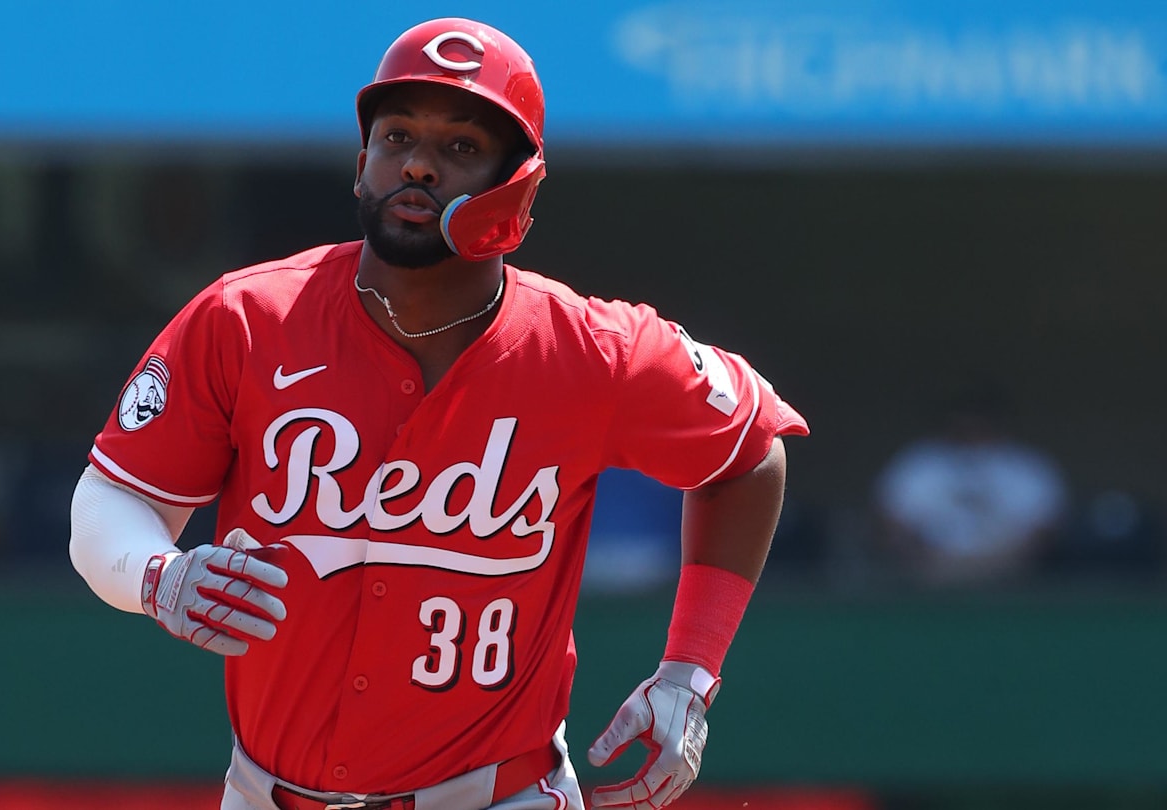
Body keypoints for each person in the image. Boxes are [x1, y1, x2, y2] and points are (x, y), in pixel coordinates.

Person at [69, 17, 808, 810]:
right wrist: (160, 575)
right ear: (361, 167)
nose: (417, 163)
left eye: (460, 147)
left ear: (519, 182)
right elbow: (114, 500)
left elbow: (751, 452)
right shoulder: (246, 318)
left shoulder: (594, 350)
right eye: (396, 138)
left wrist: (689, 673)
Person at [875, 389, 1067, 586]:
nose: (970, 430)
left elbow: (1046, 529)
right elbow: (892, 523)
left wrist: (1000, 564)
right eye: (962, 424)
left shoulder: (1028, 466)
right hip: (930, 578)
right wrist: (925, 562)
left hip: (1011, 580)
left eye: (978, 423)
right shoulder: (918, 464)